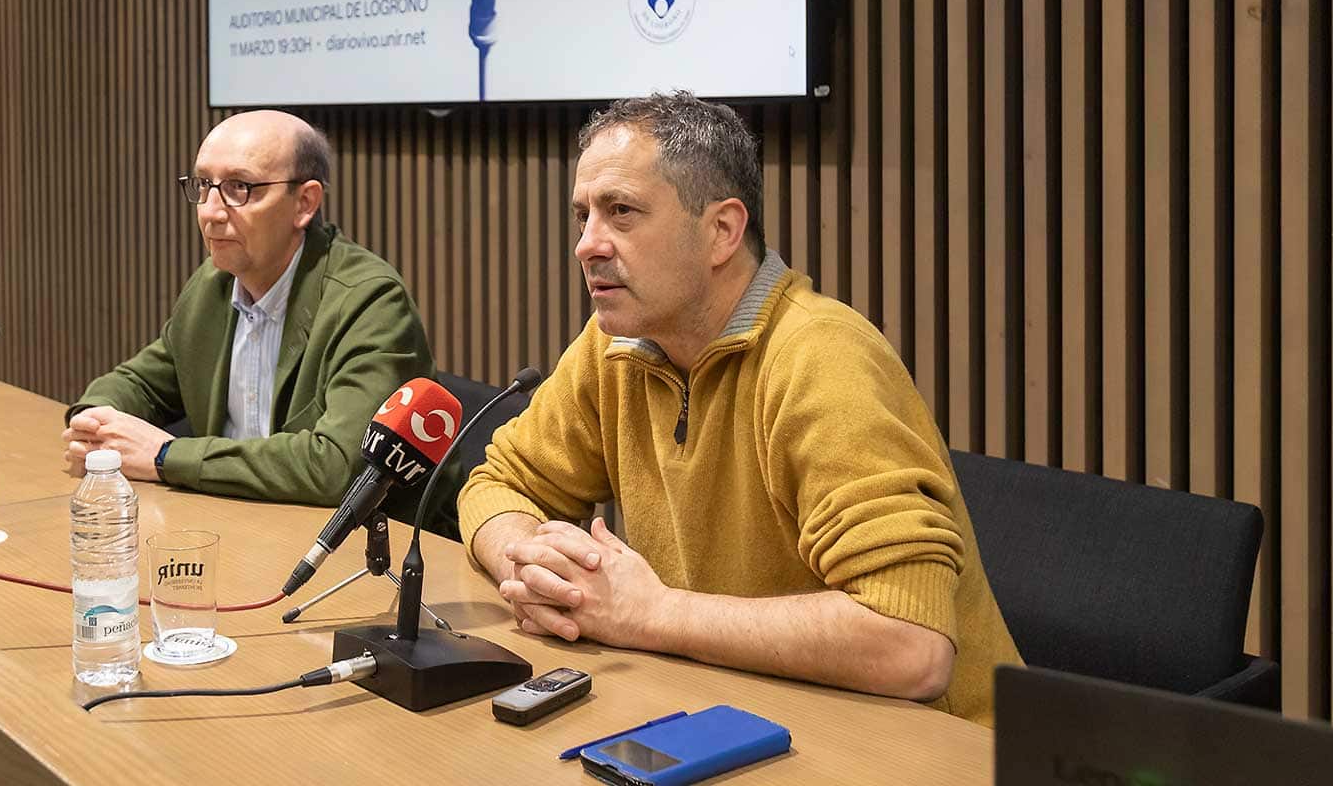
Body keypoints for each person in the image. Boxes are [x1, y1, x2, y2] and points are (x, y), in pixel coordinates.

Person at [457, 91, 1021, 725]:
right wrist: (534, 568)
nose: (588, 244)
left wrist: (652, 613)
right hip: (742, 713)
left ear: (722, 230)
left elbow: (910, 645)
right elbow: (498, 481)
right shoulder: (613, 347)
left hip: (933, 752)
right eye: (582, 215)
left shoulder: (822, 359)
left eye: (621, 212)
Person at [63, 110, 433, 506]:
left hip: (359, 545)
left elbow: (340, 468)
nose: (210, 211)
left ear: (304, 203)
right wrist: (94, 423)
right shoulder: (213, 285)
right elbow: (141, 382)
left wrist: (166, 456)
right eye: (205, 185)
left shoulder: (370, 300)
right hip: (239, 519)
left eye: (240, 187)